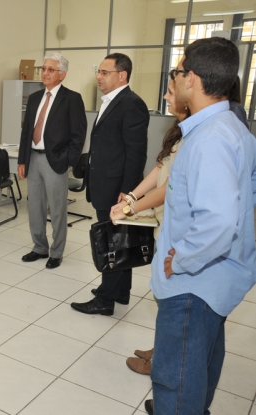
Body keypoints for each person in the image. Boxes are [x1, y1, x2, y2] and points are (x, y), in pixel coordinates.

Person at [149, 37, 256, 415]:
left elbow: (220, 220)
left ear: (191, 79)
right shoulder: (232, 127)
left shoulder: (211, 138)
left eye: (177, 72)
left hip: (194, 283)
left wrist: (182, 260)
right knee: (202, 366)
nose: (174, 80)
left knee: (174, 380)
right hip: (218, 281)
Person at [109, 77, 190, 378]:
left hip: (181, 232)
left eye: (171, 91)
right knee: (165, 299)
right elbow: (160, 168)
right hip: (166, 225)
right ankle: (162, 349)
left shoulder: (199, 138)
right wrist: (132, 195)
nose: (167, 97)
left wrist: (132, 207)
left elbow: (171, 187)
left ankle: (164, 363)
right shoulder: (183, 132)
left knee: (174, 304)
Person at [70, 53, 149, 316]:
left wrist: (127, 193)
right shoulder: (111, 101)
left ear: (122, 75)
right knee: (119, 238)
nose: (98, 77)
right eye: (99, 72)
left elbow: (136, 153)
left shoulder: (131, 104)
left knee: (111, 242)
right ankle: (120, 291)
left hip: (116, 187)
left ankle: (105, 300)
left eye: (104, 72)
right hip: (104, 182)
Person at [17, 52, 86, 269]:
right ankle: (39, 247)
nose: (45, 73)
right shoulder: (36, 98)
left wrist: (68, 161)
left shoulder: (72, 99)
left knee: (57, 209)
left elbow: (78, 135)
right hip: (33, 159)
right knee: (35, 207)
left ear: (62, 75)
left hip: (55, 160)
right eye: (43, 69)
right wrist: (22, 160)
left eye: (50, 69)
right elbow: (27, 131)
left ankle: (56, 252)